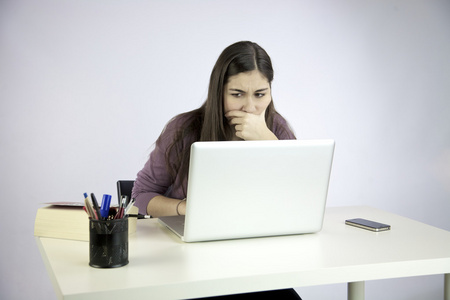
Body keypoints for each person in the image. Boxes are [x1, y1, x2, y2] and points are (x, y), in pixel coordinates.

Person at [132, 41, 301, 299]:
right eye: (236, 94)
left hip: (256, 258)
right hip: (190, 260)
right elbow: (141, 195)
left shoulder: (276, 129)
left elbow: (298, 196)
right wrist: (184, 207)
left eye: (259, 94)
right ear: (218, 91)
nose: (249, 107)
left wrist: (268, 141)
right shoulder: (184, 129)